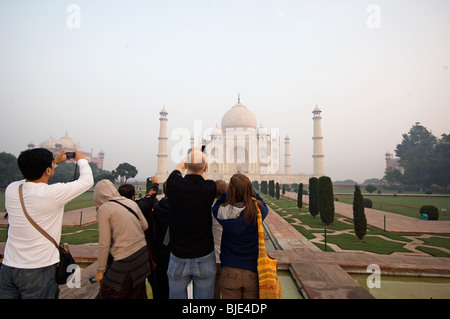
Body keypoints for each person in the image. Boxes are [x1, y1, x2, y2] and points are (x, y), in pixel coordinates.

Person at [0, 148, 93, 299]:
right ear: (48, 170)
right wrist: (81, 159)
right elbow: (87, 181)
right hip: (38, 269)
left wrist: (54, 163)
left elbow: (30, 178)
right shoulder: (52, 193)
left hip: (9, 267)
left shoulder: (12, 189)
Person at [166, 149, 217, 299]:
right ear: (206, 168)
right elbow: (205, 180)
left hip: (179, 256)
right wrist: (202, 165)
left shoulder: (173, 186)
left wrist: (183, 165)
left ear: (186, 165)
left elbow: (175, 173)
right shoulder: (210, 188)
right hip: (204, 255)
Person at [212, 173, 269, 299]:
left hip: (229, 271)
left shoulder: (222, 212)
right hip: (252, 271)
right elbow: (264, 205)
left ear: (230, 191)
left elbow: (216, 205)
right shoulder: (257, 210)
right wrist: (248, 189)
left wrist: (229, 191)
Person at [94, 179, 150, 299]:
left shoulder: (105, 209)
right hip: (142, 257)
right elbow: (145, 225)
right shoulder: (130, 203)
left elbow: (104, 243)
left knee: (110, 292)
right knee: (137, 294)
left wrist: (100, 271)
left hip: (125, 259)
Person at [118, 177, 159, 296]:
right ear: (133, 196)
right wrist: (155, 184)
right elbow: (150, 196)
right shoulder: (138, 207)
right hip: (144, 253)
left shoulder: (113, 210)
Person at [152, 181, 170, 299]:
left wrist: (153, 189)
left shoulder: (156, 207)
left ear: (163, 191)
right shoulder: (182, 208)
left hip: (159, 251)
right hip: (177, 252)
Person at [212, 180, 227, 299]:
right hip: (229, 259)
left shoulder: (210, 210)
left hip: (213, 258)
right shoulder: (232, 211)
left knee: (214, 292)